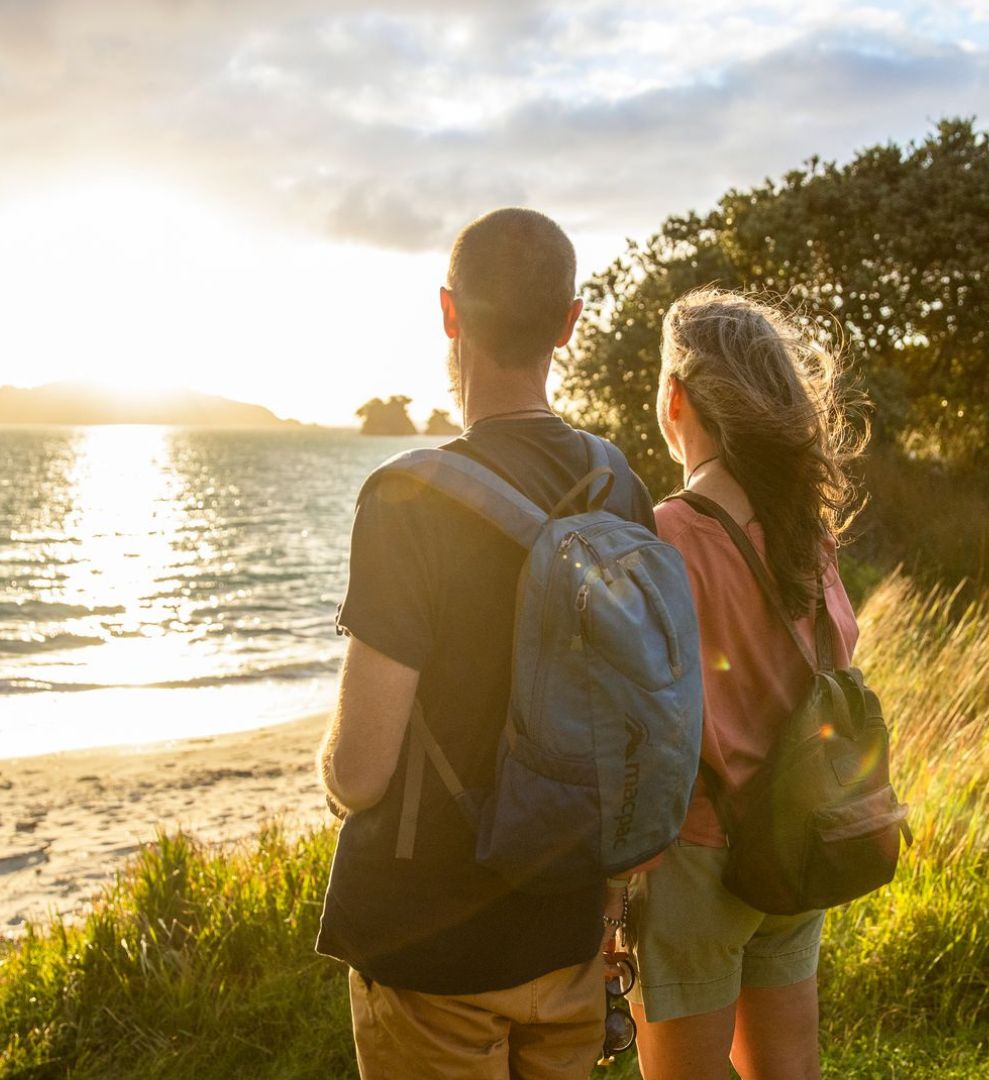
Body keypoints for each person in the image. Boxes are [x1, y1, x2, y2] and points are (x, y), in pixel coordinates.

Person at [316, 207, 658, 1079]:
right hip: (568, 930)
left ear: (448, 312)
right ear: (571, 322)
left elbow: (360, 774)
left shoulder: (405, 500)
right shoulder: (618, 486)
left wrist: (329, 768)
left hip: (431, 945)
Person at [621, 289, 866, 1079]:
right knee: (787, 1070)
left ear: (674, 398)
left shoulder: (661, 537)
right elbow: (841, 663)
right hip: (795, 838)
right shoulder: (808, 531)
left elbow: (639, 724)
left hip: (695, 854)